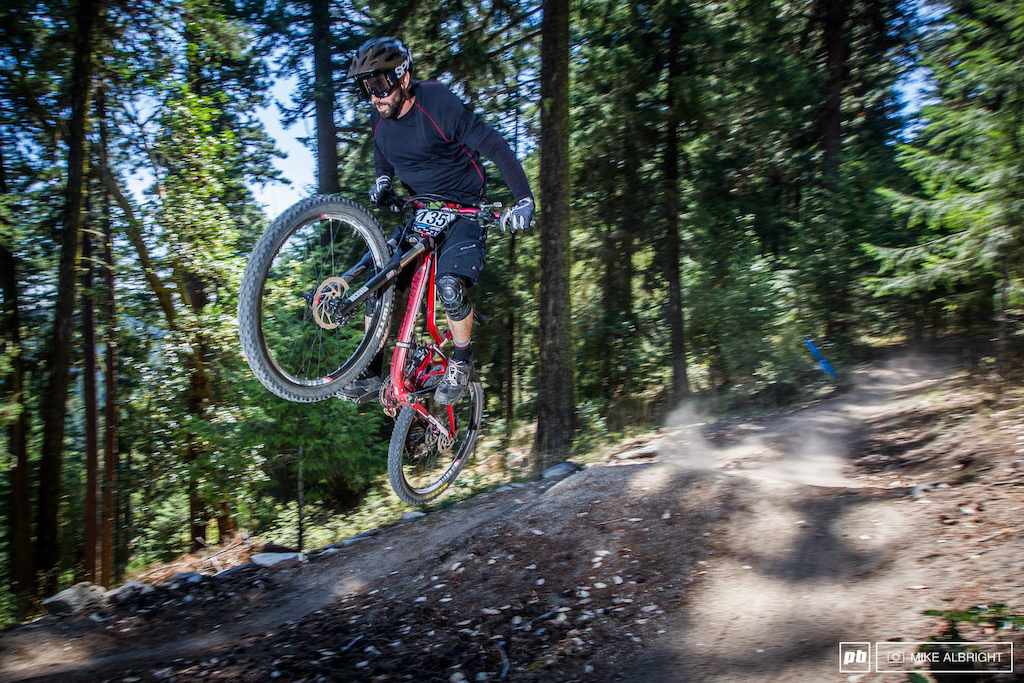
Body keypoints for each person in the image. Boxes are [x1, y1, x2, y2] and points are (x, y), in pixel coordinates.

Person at [339, 36, 535, 406]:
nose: (373, 96)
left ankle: (461, 361)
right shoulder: (378, 116)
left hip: (464, 207)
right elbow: (384, 150)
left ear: (403, 77)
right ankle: (370, 370)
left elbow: (494, 146)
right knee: (378, 283)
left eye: (379, 84)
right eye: (365, 87)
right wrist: (383, 179)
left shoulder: (438, 103)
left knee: (449, 287)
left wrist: (523, 200)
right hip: (422, 208)